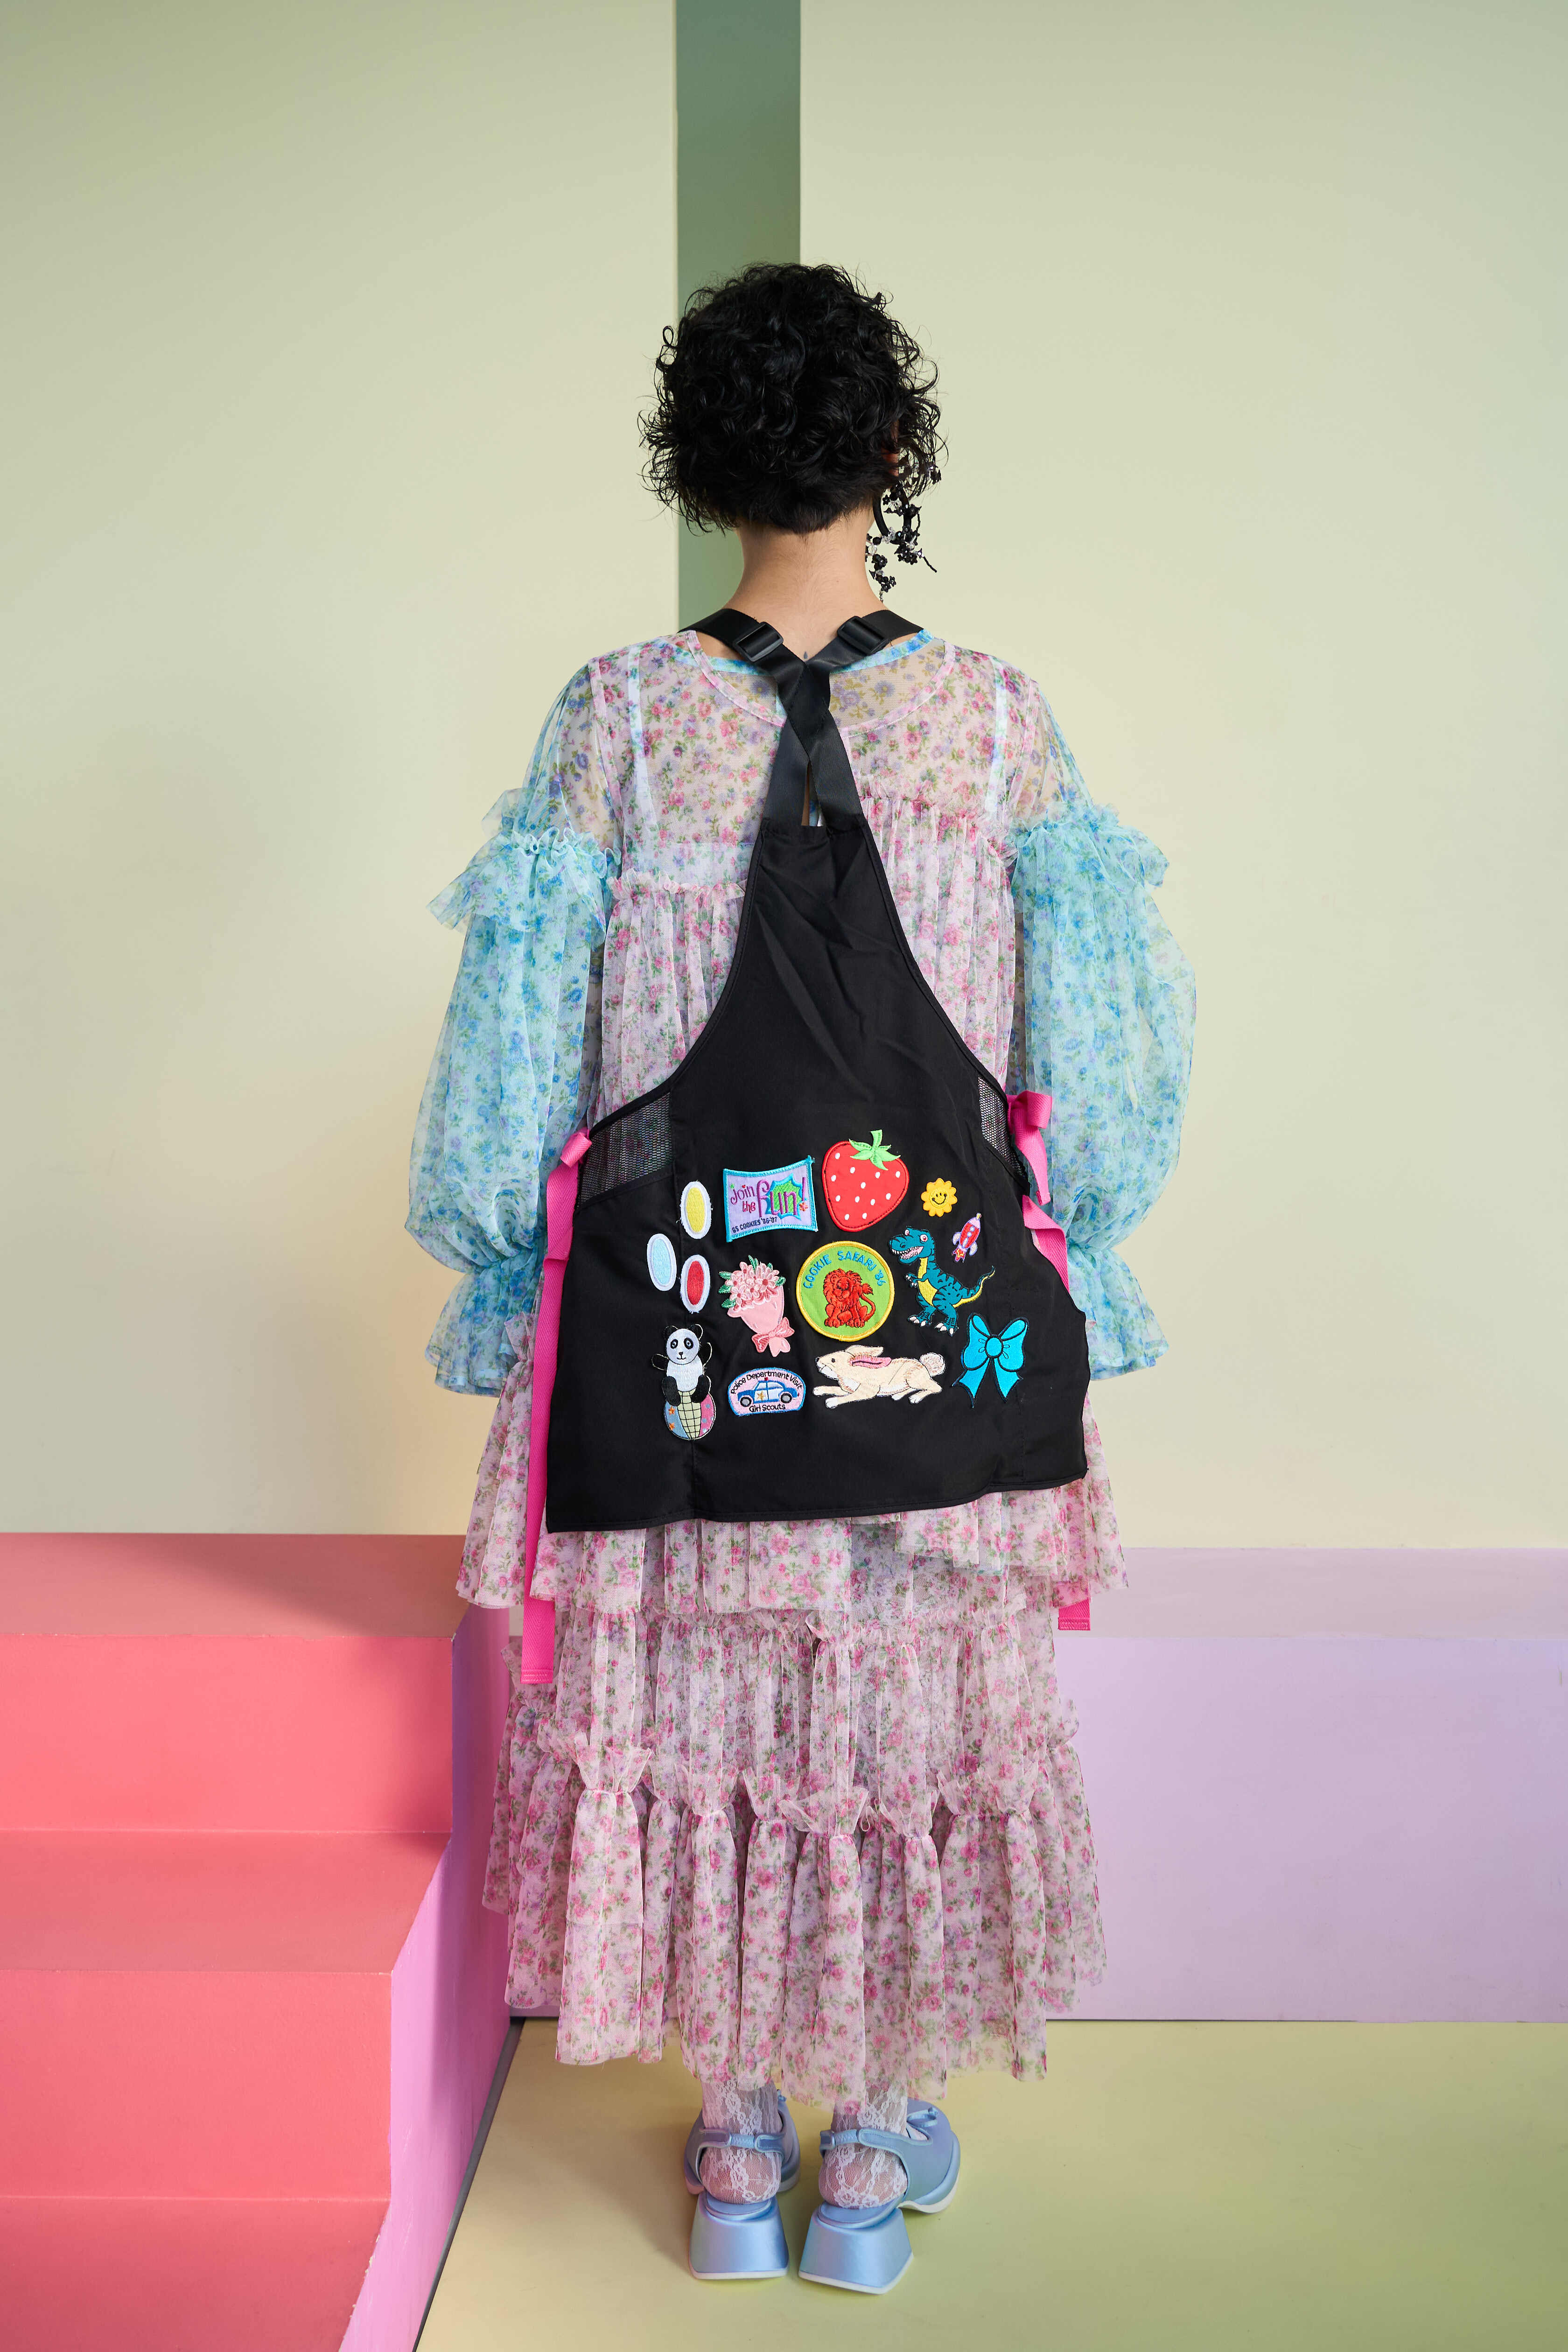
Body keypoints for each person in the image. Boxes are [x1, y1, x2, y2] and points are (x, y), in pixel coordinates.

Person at [408, 262, 1193, 2291]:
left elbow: (516, 1051)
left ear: (699, 466)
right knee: (903, 1722)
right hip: (931, 1332)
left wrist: (508, 1264)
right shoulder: (996, 718)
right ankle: (865, 2163)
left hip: (688, 1336)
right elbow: (1095, 1059)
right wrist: (1089, 1234)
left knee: (709, 1708)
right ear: (893, 451)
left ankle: (738, 2143)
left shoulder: (616, 715)